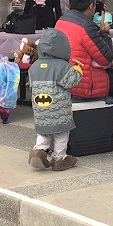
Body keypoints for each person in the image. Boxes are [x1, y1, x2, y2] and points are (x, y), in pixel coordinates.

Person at [55, 0, 113, 146]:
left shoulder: (62, 21)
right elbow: (106, 58)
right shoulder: (87, 26)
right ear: (91, 5)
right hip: (83, 83)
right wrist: (104, 32)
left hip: (65, 79)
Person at [28, 28, 83, 171]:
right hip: (59, 111)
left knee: (43, 131)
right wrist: (78, 69)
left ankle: (38, 151)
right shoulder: (62, 66)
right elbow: (71, 82)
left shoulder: (34, 67)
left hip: (40, 109)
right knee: (61, 134)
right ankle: (59, 158)